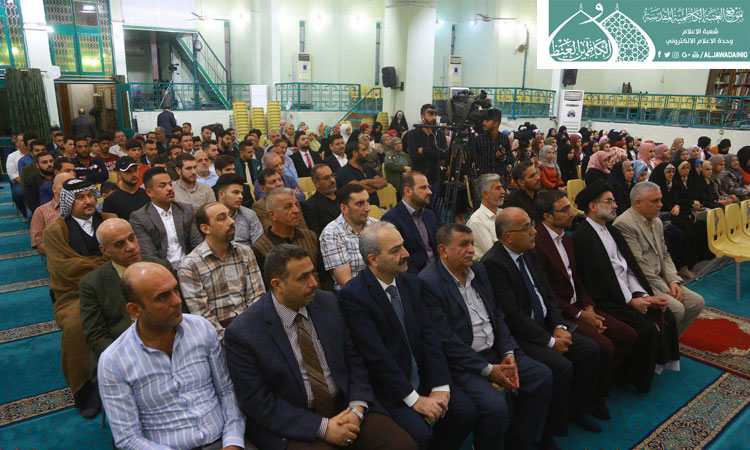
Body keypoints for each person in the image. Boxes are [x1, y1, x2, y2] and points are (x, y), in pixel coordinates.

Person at [224, 245, 417, 450]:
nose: (314, 283)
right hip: (296, 423)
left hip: (346, 407)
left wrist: (357, 408)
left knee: (403, 446)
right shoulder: (245, 332)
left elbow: (355, 360)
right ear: (277, 284)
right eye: (303, 278)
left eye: (313, 273)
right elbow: (259, 403)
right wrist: (323, 427)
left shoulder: (328, 303)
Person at [338, 222, 478, 449]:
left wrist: (440, 386)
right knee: (419, 434)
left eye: (403, 245)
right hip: (389, 388)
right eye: (395, 250)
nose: (406, 254)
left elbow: (429, 337)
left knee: (465, 412)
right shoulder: (354, 296)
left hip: (422, 377)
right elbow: (377, 357)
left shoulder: (411, 281)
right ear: (373, 259)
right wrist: (414, 400)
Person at [419, 224, 556, 450]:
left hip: (495, 351)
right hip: (463, 362)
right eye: (464, 244)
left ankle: (518, 440)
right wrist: (489, 370)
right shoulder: (429, 282)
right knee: (495, 407)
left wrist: (508, 352)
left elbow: (497, 314)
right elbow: (446, 340)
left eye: (472, 243)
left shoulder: (479, 269)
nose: (471, 250)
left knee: (541, 376)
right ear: (443, 250)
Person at [481, 207, 603, 437]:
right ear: (508, 237)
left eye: (532, 224)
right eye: (526, 227)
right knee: (561, 367)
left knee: (591, 350)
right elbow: (512, 315)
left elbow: (548, 293)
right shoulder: (493, 264)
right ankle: (549, 431)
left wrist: (559, 326)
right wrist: (550, 342)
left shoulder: (529, 251)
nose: (534, 231)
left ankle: (575, 409)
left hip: (547, 326)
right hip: (522, 335)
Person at [98, 262, 245, 449]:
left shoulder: (201, 328)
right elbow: (128, 439)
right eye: (163, 297)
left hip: (223, 440)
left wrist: (233, 441)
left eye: (175, 290)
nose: (177, 301)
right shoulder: (114, 361)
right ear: (135, 310)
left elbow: (227, 391)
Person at [534, 190, 638, 415]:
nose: (572, 213)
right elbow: (547, 293)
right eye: (565, 210)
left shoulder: (566, 238)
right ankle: (588, 400)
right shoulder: (538, 245)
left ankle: (598, 383)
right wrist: (581, 315)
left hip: (579, 306)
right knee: (602, 346)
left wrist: (589, 306)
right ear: (548, 216)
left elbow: (576, 279)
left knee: (627, 335)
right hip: (560, 313)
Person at [572, 180, 681, 393]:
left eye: (614, 201)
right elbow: (603, 278)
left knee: (665, 315)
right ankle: (628, 377)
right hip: (605, 298)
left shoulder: (611, 231)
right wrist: (631, 301)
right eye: (609, 201)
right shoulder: (583, 237)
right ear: (593, 206)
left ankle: (647, 368)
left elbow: (629, 268)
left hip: (626, 292)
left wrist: (642, 295)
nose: (615, 205)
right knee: (645, 327)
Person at [43, 178, 116, 418]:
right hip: (74, 293)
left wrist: (94, 265)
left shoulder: (110, 220)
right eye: (80, 198)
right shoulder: (55, 230)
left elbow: (125, 254)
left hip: (115, 286)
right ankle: (86, 389)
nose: (88, 201)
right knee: (75, 326)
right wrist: (104, 264)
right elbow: (66, 269)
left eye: (90, 196)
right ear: (68, 202)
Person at [613, 182, 705, 336]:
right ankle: (661, 346)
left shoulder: (656, 220)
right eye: (655, 201)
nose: (661, 204)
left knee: (696, 302)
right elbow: (638, 265)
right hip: (642, 283)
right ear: (638, 202)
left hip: (661, 278)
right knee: (677, 309)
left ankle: (670, 342)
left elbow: (665, 254)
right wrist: (666, 288)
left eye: (660, 200)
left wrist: (673, 280)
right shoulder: (624, 224)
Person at [80, 218, 172, 370]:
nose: (131, 247)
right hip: (124, 358)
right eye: (119, 244)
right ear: (105, 251)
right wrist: (127, 359)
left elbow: (180, 312)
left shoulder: (161, 267)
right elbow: (96, 336)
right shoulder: (92, 284)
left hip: (168, 346)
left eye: (131, 238)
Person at [177, 202, 265, 339]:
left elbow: (257, 298)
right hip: (218, 336)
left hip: (252, 327)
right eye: (222, 218)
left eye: (230, 216)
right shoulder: (190, 265)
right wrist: (230, 340)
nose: (231, 221)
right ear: (205, 228)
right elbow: (202, 316)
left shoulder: (245, 252)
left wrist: (253, 332)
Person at [252, 188, 331, 290]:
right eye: (288, 207)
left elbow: (325, 278)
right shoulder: (261, 248)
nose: (296, 210)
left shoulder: (311, 237)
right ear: (272, 215)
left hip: (317, 296)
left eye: (296, 205)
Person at [130, 167, 203, 267]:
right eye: (163, 185)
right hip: (162, 270)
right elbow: (150, 256)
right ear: (149, 192)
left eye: (170, 184)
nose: (169, 188)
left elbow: (197, 244)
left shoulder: (186, 210)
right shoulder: (140, 218)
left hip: (191, 266)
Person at [320, 184, 379, 291]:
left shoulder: (375, 224)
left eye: (367, 201)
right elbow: (346, 283)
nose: (367, 208)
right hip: (357, 294)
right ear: (344, 208)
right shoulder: (331, 233)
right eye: (360, 204)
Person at [382, 172, 437, 274]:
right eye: (423, 188)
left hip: (436, 271)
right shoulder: (391, 220)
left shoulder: (430, 215)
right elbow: (395, 259)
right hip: (413, 276)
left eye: (428, 187)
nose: (429, 192)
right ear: (408, 191)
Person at [408, 104, 446, 198]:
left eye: (435, 115)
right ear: (422, 117)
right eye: (430, 115)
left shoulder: (439, 134)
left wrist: (424, 150)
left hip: (435, 177)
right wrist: (435, 153)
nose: (434, 117)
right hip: (418, 178)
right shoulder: (413, 134)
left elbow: (443, 155)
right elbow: (414, 157)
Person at [30, 172, 75, 255]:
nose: (71, 188)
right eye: (66, 184)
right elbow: (39, 245)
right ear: (54, 188)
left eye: (73, 185)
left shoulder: (82, 207)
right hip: (59, 257)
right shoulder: (41, 212)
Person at [215, 173, 263, 245]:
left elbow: (259, 245)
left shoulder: (249, 214)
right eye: (236, 192)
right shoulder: (209, 216)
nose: (241, 196)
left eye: (241, 193)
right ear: (221, 194)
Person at [467, 174, 507, 260]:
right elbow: (493, 254)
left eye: (502, 187)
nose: (503, 191)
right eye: (498, 188)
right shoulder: (477, 221)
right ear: (485, 194)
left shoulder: (503, 213)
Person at [336, 140, 386, 208]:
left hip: (376, 209)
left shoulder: (367, 168)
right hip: (357, 211)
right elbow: (356, 190)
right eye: (363, 150)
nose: (367, 153)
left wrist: (364, 182)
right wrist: (375, 185)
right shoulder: (344, 171)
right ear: (355, 153)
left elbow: (384, 182)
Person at [302, 164, 340, 235]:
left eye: (332, 175)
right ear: (316, 183)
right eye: (326, 178)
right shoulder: (310, 205)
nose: (332, 180)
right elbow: (316, 234)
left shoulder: (344, 196)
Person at [475, 109, 511, 180]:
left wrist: (503, 158)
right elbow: (472, 160)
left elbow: (510, 159)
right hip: (483, 180)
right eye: (484, 120)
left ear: (496, 124)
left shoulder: (504, 139)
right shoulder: (479, 139)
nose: (483, 123)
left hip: (499, 179)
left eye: (487, 120)